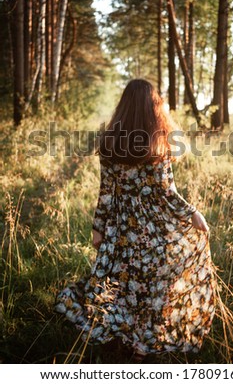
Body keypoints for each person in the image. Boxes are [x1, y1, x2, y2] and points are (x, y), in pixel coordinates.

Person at [54, 78, 215, 361]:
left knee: (120, 282)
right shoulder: (159, 143)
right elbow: (168, 194)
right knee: (157, 280)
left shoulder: (110, 141)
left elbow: (106, 192)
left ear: (124, 106)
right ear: (153, 106)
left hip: (120, 230)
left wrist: (98, 228)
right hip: (153, 229)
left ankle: (125, 335)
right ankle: (142, 342)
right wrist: (193, 213)